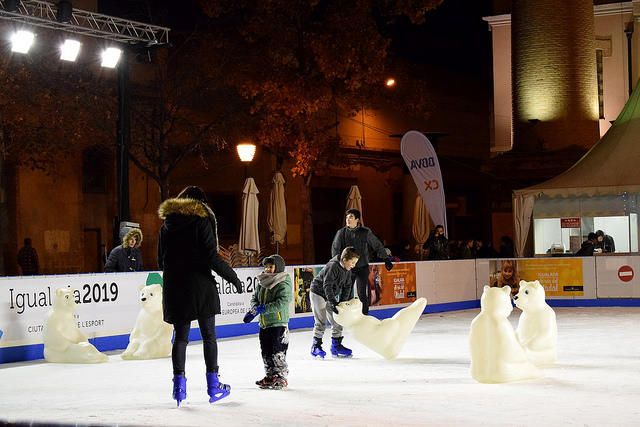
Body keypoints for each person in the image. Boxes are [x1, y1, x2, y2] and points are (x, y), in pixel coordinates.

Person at [158, 185, 243, 406]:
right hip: (200, 285)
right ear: (201, 204)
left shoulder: (166, 225)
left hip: (175, 286)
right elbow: (211, 257)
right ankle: (213, 386)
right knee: (209, 336)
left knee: (181, 338)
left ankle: (179, 387)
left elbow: (161, 260)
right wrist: (233, 277)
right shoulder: (202, 220)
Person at [243, 254, 292, 390]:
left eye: (271, 266)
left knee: (278, 352)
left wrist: (264, 308)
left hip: (278, 324)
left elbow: (283, 302)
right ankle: (270, 376)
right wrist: (255, 308)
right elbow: (254, 297)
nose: (268, 269)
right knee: (266, 352)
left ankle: (281, 377)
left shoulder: (283, 281)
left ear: (279, 267)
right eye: (266, 266)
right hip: (264, 324)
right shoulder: (263, 281)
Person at [331, 208, 393, 315]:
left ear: (357, 220)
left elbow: (376, 245)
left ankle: (364, 316)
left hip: (362, 267)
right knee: (346, 294)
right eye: (347, 217)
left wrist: (386, 258)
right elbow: (335, 249)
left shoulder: (365, 232)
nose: (348, 219)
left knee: (362, 294)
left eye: (351, 217)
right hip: (348, 269)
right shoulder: (341, 233)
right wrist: (336, 264)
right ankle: (345, 316)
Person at [309, 246, 360, 359]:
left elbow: (347, 287)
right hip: (318, 293)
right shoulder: (333, 266)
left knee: (337, 319)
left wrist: (342, 304)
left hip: (329, 295)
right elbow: (327, 285)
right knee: (321, 321)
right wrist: (332, 302)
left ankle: (336, 345)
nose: (353, 265)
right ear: (344, 259)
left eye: (355, 263)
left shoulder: (347, 271)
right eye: (352, 262)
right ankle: (315, 346)